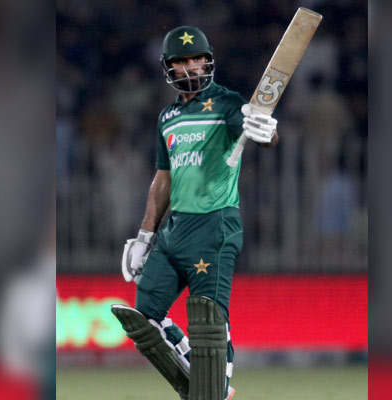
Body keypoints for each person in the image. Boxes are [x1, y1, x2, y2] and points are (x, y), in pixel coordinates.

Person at [111, 25, 278, 400]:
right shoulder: (167, 117)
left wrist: (267, 131)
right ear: (169, 67)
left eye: (197, 59)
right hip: (174, 230)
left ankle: (216, 383)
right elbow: (162, 180)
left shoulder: (229, 103)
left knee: (210, 320)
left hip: (215, 223)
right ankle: (206, 381)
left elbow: (258, 130)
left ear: (208, 61)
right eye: (181, 61)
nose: (191, 67)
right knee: (145, 316)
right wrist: (144, 236)